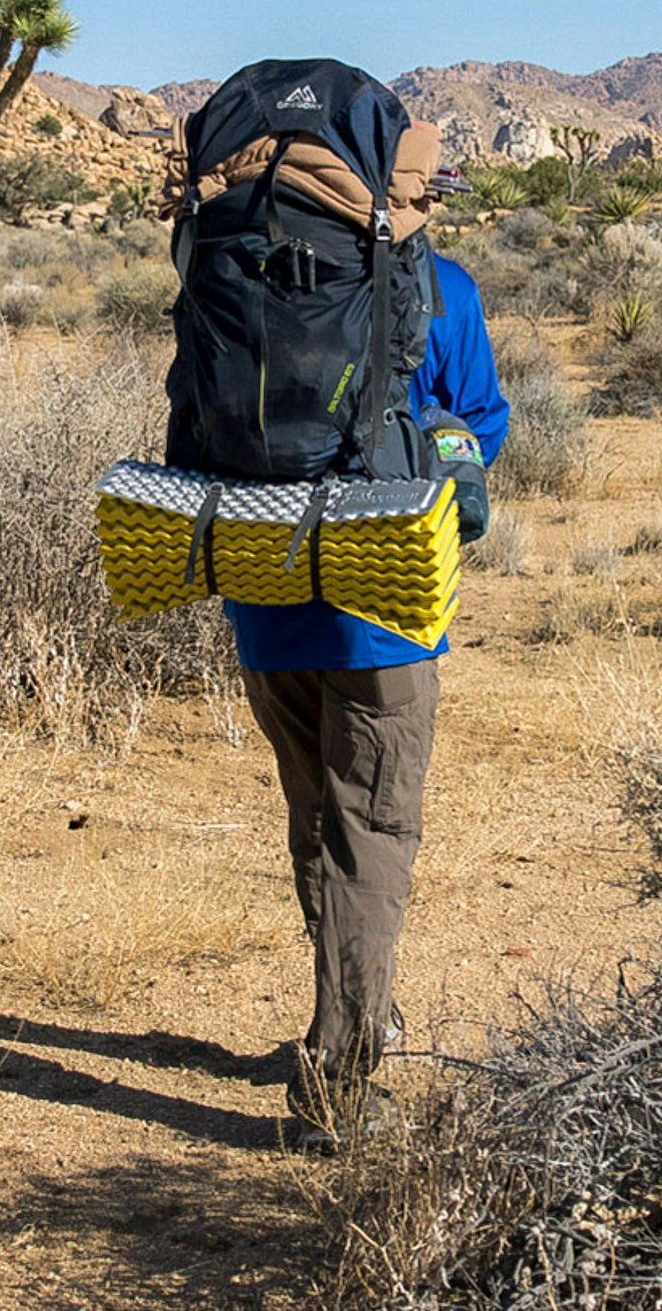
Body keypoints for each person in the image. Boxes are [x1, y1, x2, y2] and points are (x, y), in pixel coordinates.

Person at [225, 246, 506, 1147]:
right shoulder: (437, 287)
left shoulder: (247, 263)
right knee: (372, 836)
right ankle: (339, 1090)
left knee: (318, 818)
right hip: (382, 612)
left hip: (262, 597)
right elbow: (480, 427)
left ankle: (355, 1010)